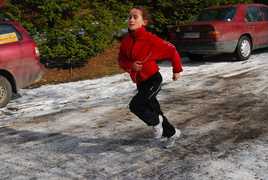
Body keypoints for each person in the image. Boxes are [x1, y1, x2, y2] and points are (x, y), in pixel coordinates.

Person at [117, 5, 183, 148]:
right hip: (140, 81)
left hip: (153, 78)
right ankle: (172, 133)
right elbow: (120, 60)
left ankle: (155, 122)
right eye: (129, 17)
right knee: (155, 111)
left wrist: (176, 70)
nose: (131, 20)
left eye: (135, 17)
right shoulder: (126, 41)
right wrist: (131, 66)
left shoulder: (150, 39)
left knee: (136, 105)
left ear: (144, 22)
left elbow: (172, 50)